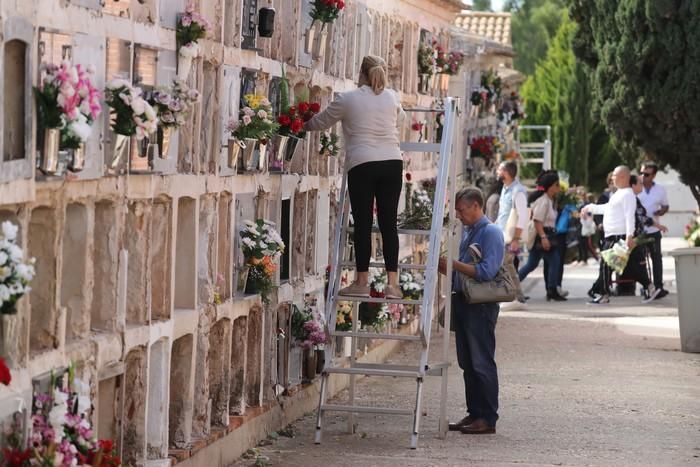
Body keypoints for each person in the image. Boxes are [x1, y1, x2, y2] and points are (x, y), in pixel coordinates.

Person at [305, 55, 405, 298]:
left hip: (363, 163)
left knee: (362, 223)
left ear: (360, 73)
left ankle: (362, 282)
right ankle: (393, 285)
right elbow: (400, 121)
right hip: (392, 162)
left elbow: (322, 122)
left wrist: (300, 123)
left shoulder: (347, 99)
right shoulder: (391, 97)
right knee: (388, 223)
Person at [439, 187, 503, 435]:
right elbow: (467, 271)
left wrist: (455, 265)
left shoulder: (491, 233)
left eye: (462, 209)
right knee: (467, 362)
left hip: (481, 306)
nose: (459, 214)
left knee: (481, 361)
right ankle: (474, 412)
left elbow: (487, 271)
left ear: (476, 206)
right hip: (465, 301)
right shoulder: (469, 232)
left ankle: (488, 417)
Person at [582, 166, 638, 305]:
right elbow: (607, 208)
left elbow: (629, 216)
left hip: (618, 236)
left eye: (614, 175)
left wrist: (629, 236)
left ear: (623, 177)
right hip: (610, 235)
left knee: (607, 266)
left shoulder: (627, 194)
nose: (612, 178)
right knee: (607, 266)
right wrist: (590, 207)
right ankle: (603, 292)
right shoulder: (618, 193)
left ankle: (603, 294)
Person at [517, 171, 567, 301]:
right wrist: (544, 237)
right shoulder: (543, 200)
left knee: (533, 264)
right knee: (553, 262)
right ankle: (551, 290)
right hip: (544, 234)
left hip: (547, 234)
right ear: (550, 186)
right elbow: (537, 220)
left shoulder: (549, 200)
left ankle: (513, 285)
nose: (558, 188)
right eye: (557, 185)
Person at [494, 161, 528, 310]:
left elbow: (523, 216)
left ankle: (513, 297)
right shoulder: (505, 188)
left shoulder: (518, 191)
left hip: (511, 236)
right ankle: (518, 297)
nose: (497, 171)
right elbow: (504, 214)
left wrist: (516, 239)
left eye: (499, 169)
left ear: (506, 173)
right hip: (502, 234)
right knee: (508, 266)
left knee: (504, 265)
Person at [638, 161, 670, 299]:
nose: (643, 176)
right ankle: (646, 286)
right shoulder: (635, 188)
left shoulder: (660, 190)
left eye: (646, 174)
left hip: (654, 230)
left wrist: (661, 211)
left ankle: (658, 287)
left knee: (656, 259)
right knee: (640, 261)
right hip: (639, 231)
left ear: (654, 176)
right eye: (641, 172)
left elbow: (666, 206)